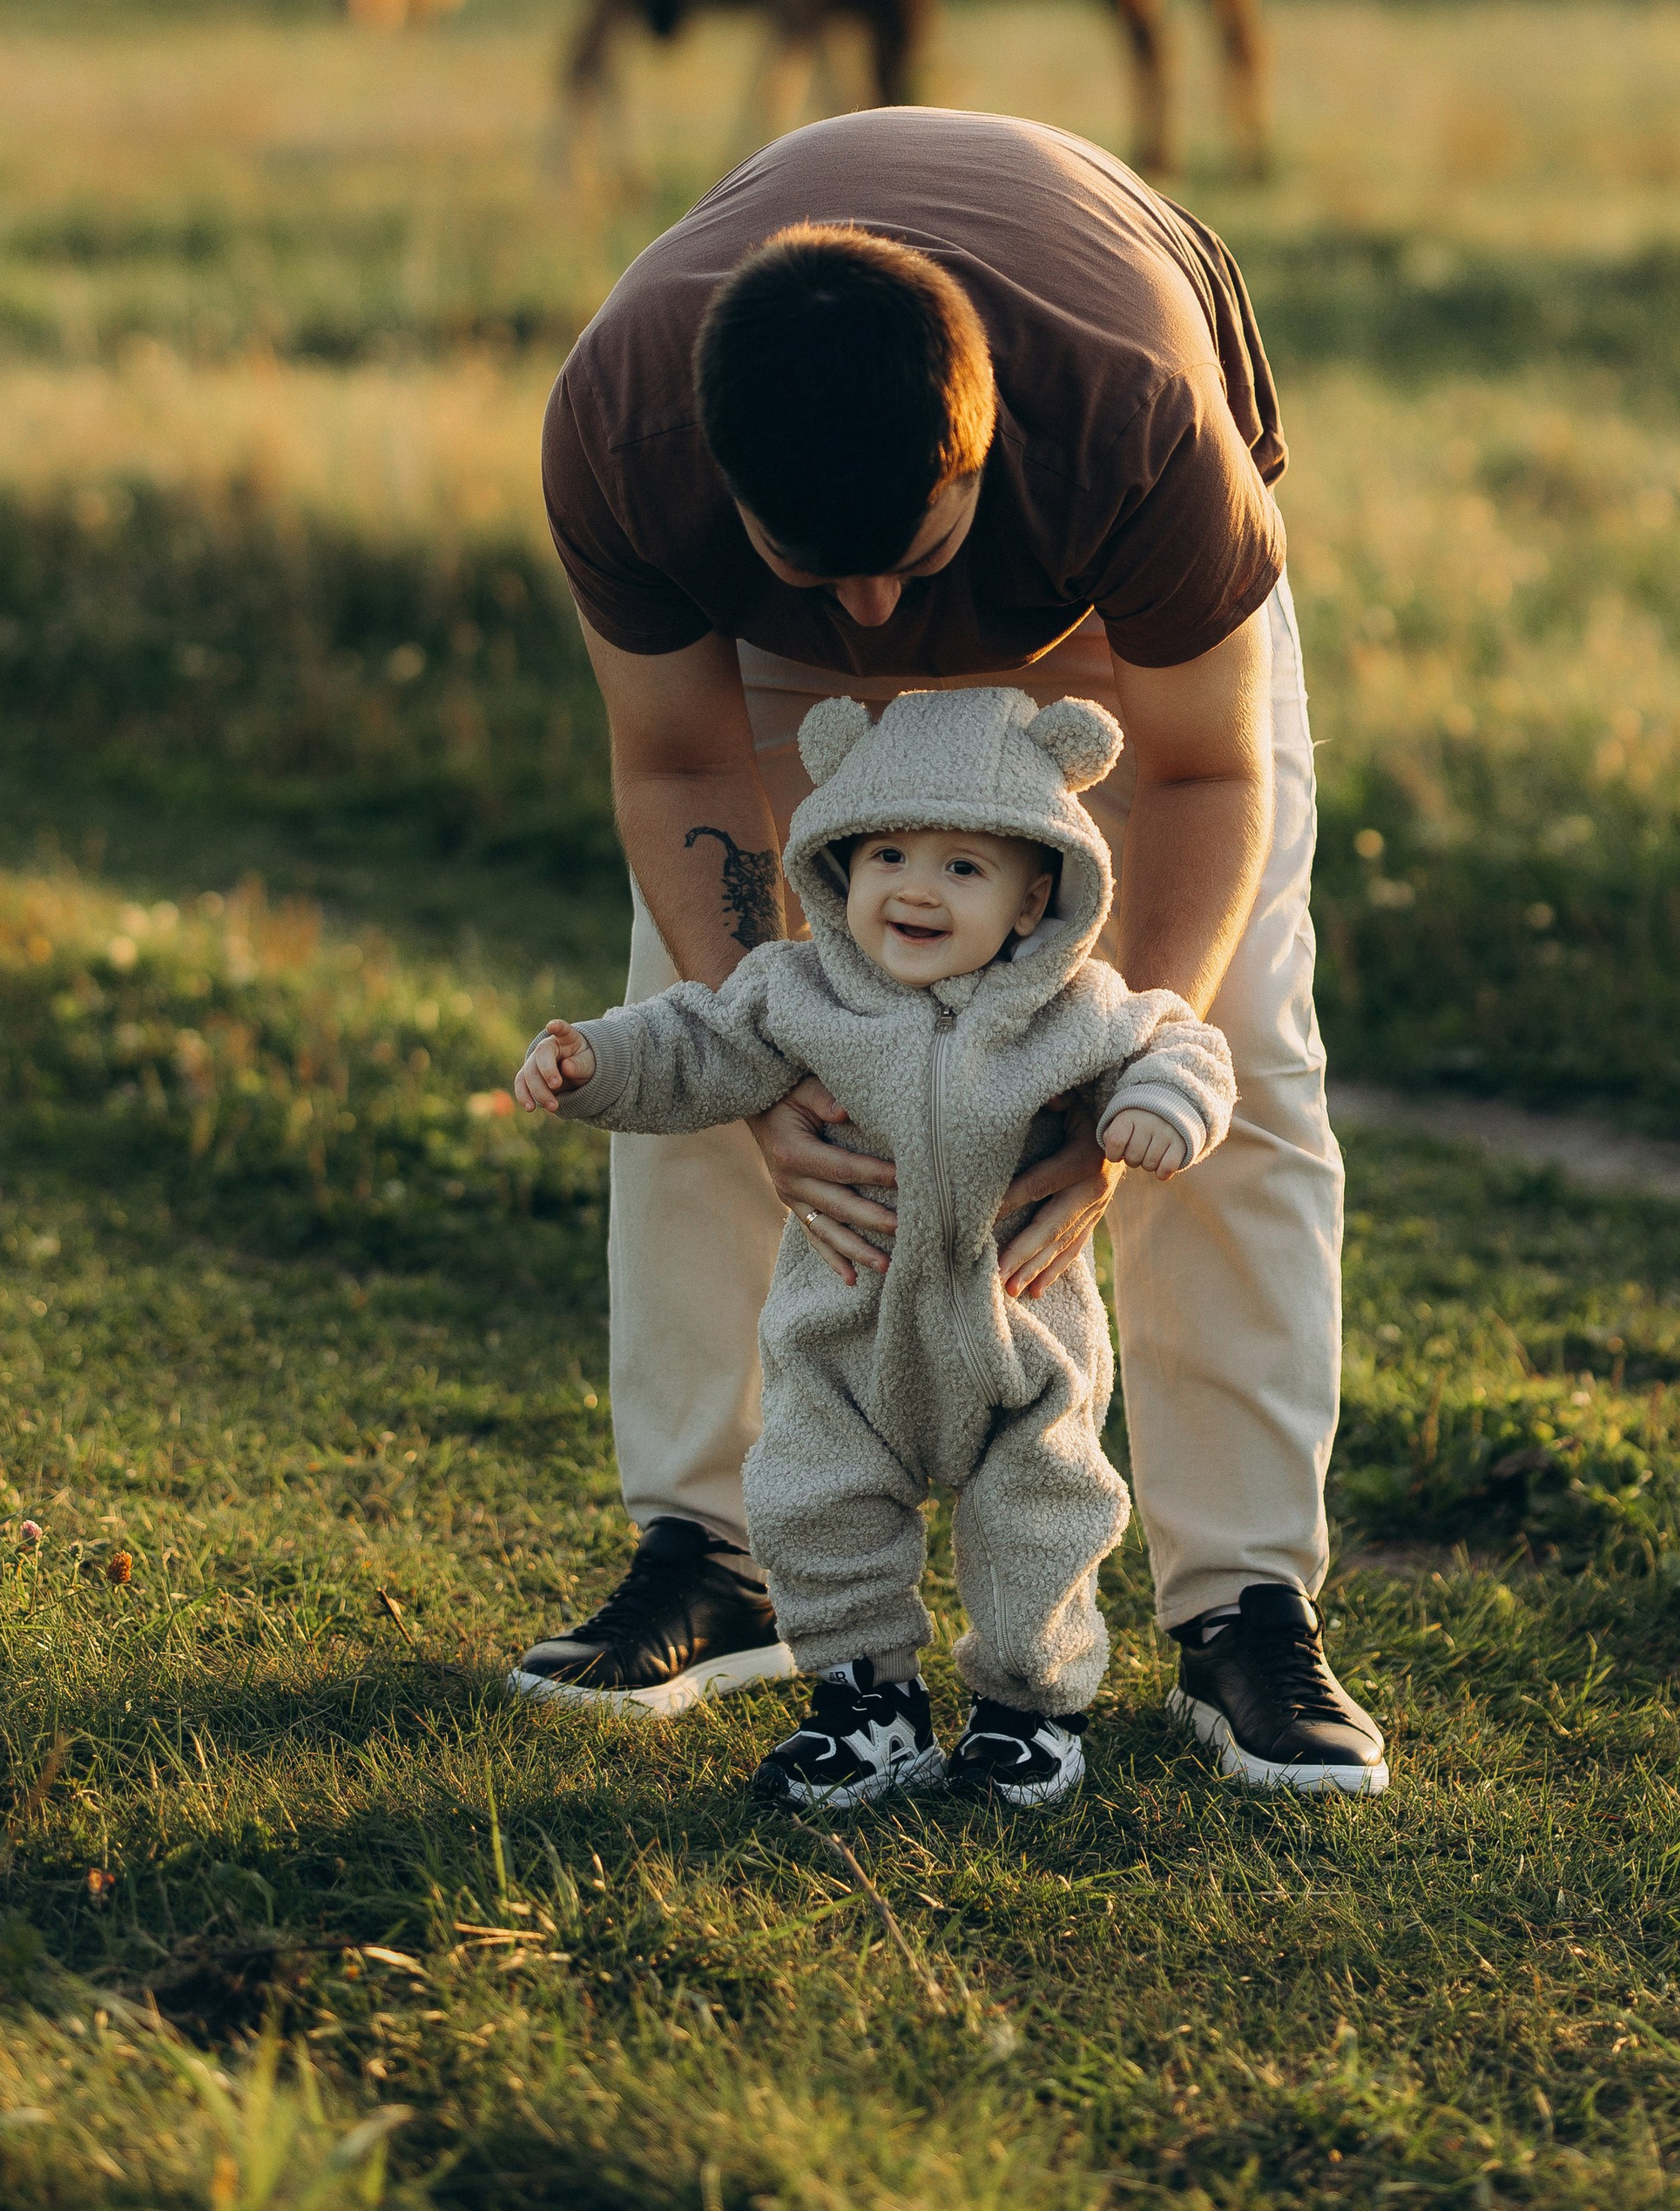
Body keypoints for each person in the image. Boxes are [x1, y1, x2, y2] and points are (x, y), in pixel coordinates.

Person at [513, 106, 1387, 1794]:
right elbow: (682, 763)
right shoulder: (622, 433)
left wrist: (1132, 1065)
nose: (870, 626)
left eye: (898, 567)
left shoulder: (1127, 425)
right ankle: (715, 1553)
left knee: (1240, 1068)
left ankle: (1240, 1606)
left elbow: (1202, 769)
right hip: (776, 659)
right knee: (699, 1034)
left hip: (1105, 634)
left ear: (975, 465)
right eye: (804, 565)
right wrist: (768, 1059)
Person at [515, 682, 1238, 1810]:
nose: (915, 886)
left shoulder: (1077, 1010)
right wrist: (594, 1063)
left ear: (1036, 891)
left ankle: (1026, 1719)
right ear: (839, 863)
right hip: (845, 1331)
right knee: (817, 1504)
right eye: (888, 852)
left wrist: (1154, 1112)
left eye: (964, 866)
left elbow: (1183, 1044)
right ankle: (865, 1709)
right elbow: (691, 1040)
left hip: (1023, 1338)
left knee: (1041, 1518)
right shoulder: (795, 994)